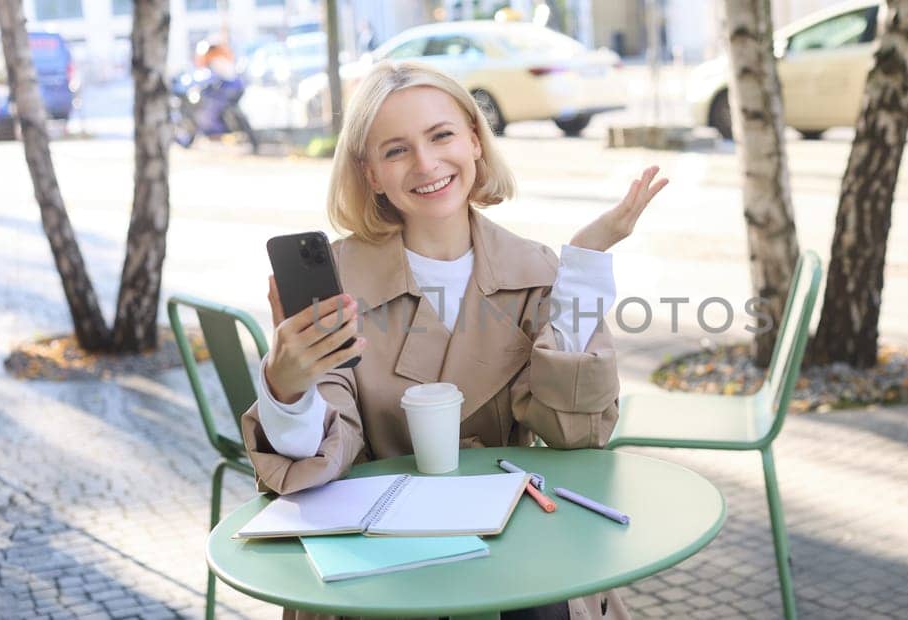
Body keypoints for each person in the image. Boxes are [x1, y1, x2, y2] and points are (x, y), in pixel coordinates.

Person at [240, 61, 666, 620]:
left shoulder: (536, 269)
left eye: (441, 136)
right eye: (396, 150)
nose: (426, 163)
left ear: (474, 140)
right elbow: (322, 456)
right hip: (373, 561)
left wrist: (582, 272)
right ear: (371, 174)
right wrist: (287, 388)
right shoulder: (338, 284)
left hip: (515, 547)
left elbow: (576, 433)